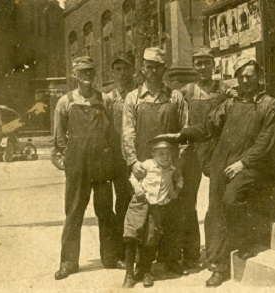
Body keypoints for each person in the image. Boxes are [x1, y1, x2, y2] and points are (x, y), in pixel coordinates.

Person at [159, 58, 275, 287]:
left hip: (246, 165)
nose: (246, 80)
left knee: (231, 200)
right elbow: (208, 126)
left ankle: (244, 241)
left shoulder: (268, 104)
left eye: (250, 75)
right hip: (221, 162)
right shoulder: (230, 103)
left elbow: (265, 141)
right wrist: (182, 135)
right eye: (242, 76)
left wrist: (243, 162)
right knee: (214, 213)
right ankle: (218, 267)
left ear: (258, 77)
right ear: (237, 78)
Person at [122, 47, 189, 277]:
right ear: (143, 69)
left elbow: (185, 132)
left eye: (157, 67)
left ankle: (171, 259)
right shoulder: (133, 98)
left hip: (169, 168)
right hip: (145, 168)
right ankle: (144, 266)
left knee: (171, 214)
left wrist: (177, 162)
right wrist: (132, 161)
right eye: (148, 66)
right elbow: (127, 132)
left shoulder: (176, 97)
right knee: (145, 218)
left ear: (164, 69)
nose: (152, 71)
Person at [54, 56, 120, 280]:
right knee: (73, 212)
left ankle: (110, 257)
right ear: (75, 75)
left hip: (101, 164)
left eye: (90, 71)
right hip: (77, 165)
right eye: (82, 72)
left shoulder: (105, 100)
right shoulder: (66, 101)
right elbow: (60, 138)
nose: (87, 76)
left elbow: (112, 132)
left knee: (105, 211)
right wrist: (68, 159)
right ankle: (68, 262)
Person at [177, 47, 227, 272]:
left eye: (207, 62)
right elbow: (181, 123)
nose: (203, 67)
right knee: (188, 204)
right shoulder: (186, 91)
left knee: (215, 203)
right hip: (193, 152)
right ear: (193, 66)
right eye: (198, 63)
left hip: (216, 151)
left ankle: (215, 253)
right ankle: (190, 254)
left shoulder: (223, 90)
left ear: (213, 64)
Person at [122, 137, 183, 288]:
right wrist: (137, 188)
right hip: (140, 203)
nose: (165, 157)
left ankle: (147, 271)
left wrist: (176, 191)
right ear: (153, 154)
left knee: (151, 238)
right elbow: (133, 177)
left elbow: (179, 179)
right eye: (160, 153)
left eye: (168, 154)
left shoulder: (173, 168)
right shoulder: (147, 165)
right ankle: (129, 274)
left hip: (157, 207)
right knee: (132, 236)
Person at [108, 51, 137, 268]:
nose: (122, 73)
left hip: (137, 159)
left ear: (132, 70)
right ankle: (122, 253)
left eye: (125, 68)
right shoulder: (109, 99)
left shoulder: (138, 95)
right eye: (117, 69)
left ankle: (144, 250)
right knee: (122, 204)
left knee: (142, 202)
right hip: (118, 161)